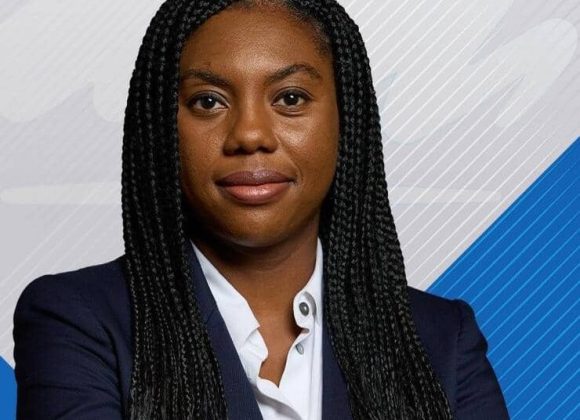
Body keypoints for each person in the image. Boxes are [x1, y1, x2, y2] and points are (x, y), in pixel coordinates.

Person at [12, 0, 510, 419]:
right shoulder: (79, 321)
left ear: (346, 119)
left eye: (290, 98)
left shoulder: (441, 338)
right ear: (162, 126)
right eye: (208, 102)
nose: (250, 134)